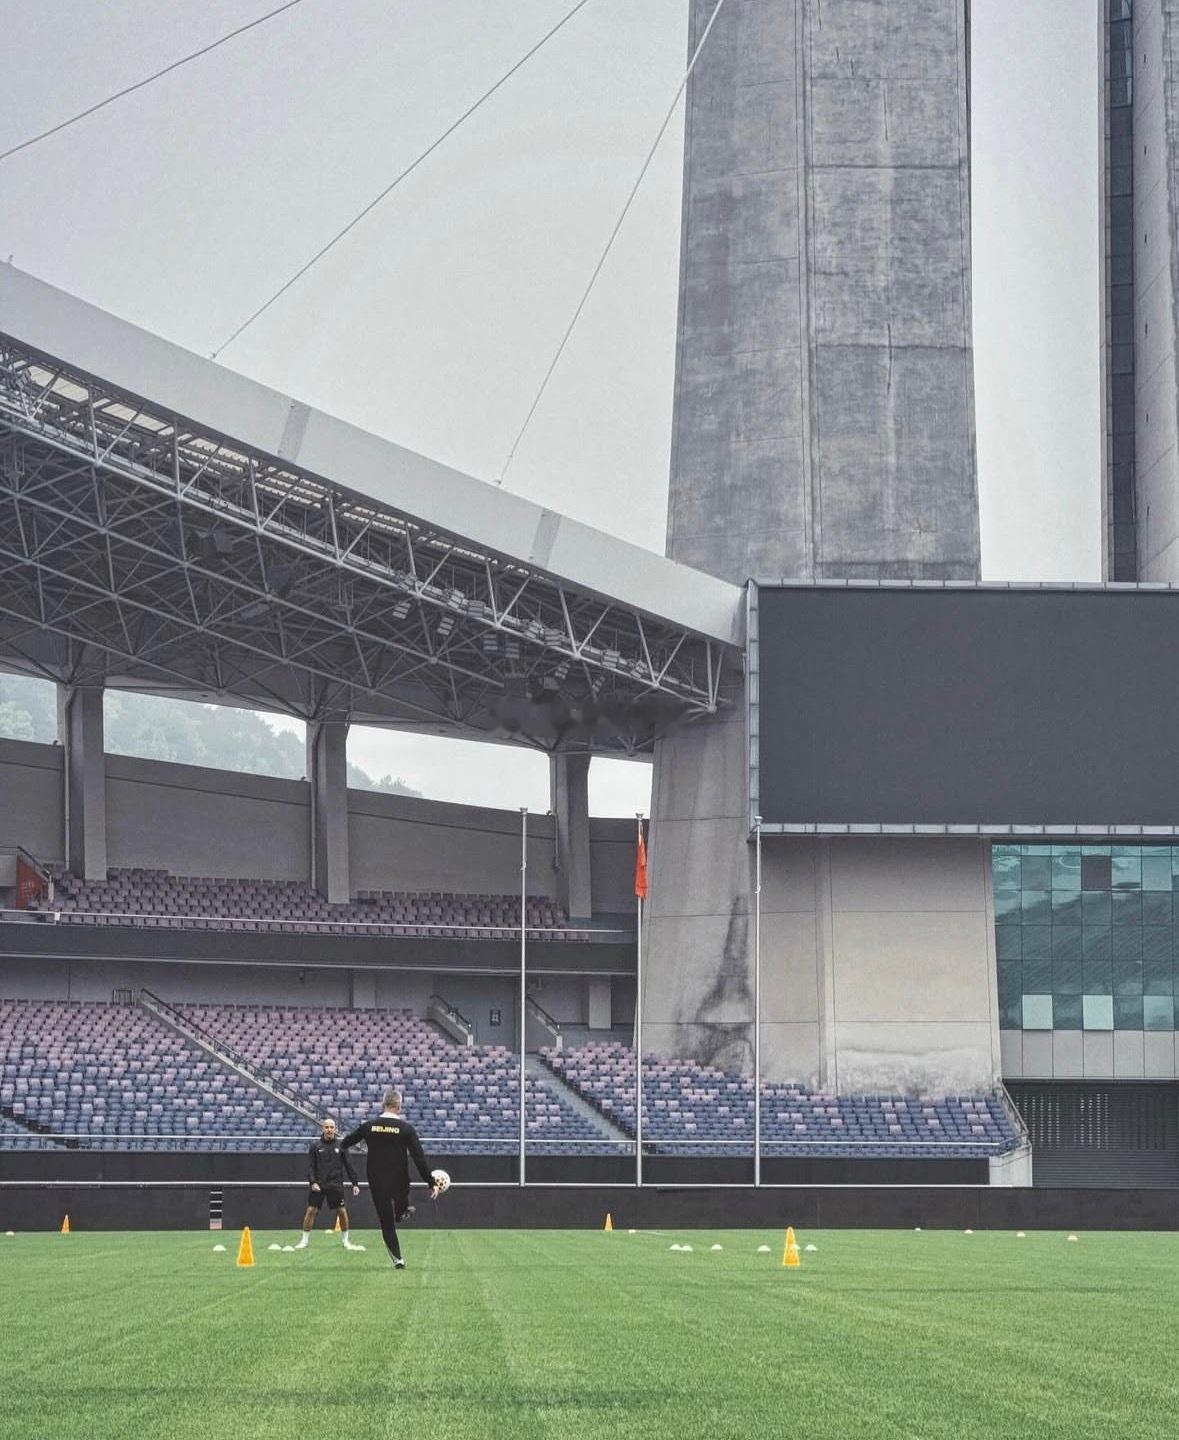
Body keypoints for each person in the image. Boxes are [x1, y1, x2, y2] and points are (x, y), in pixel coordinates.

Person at [340, 1089, 441, 1269]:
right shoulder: (406, 1129)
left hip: (377, 1180)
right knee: (401, 1205)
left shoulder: (369, 1126)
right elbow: (419, 1158)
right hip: (400, 1180)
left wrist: (346, 1149)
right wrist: (431, 1182)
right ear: (399, 1106)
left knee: (386, 1223)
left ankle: (398, 1260)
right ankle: (401, 1211)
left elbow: (345, 1143)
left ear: (383, 1104)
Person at [296, 1117, 361, 1250]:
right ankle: (304, 1241)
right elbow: (310, 1167)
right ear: (323, 1129)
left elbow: (349, 1165)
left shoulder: (341, 1145)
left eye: (332, 1127)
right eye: (327, 1127)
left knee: (342, 1211)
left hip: (335, 1184)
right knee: (311, 1210)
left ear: (335, 1129)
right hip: (319, 1185)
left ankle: (346, 1241)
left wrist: (355, 1183)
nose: (329, 1130)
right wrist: (313, 1182)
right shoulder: (315, 1146)